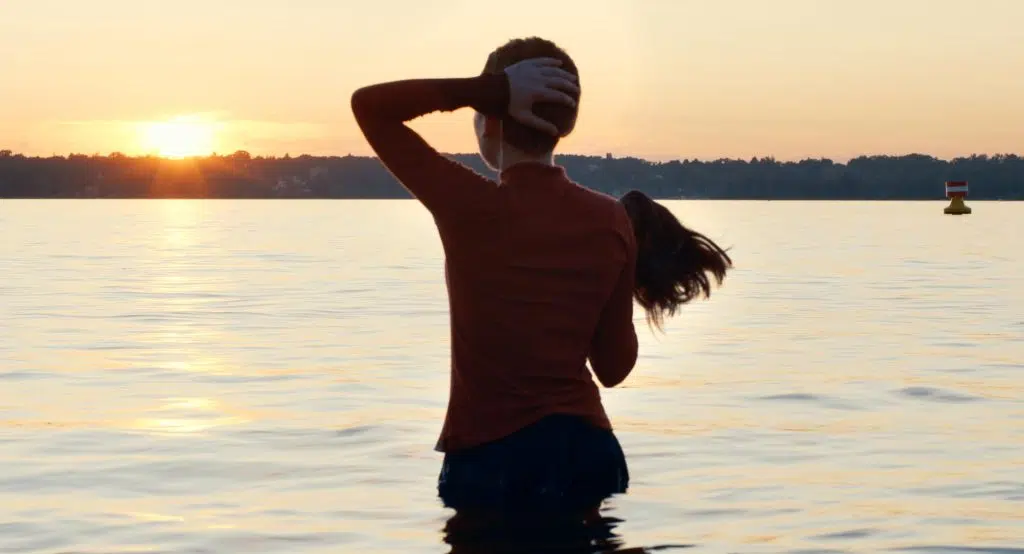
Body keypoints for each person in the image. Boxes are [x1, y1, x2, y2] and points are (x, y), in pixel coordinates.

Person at [351, 37, 732, 524]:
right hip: (588, 454)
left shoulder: (470, 204)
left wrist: (484, 89)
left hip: (494, 462)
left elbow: (370, 107)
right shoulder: (612, 221)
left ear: (490, 116)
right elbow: (614, 368)